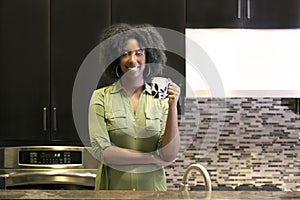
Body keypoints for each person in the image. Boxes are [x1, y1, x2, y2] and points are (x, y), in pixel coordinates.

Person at [89, 23, 180, 191]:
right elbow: (104, 153)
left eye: (139, 53)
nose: (132, 60)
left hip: (153, 193)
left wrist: (173, 106)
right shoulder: (100, 97)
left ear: (148, 57)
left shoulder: (160, 100)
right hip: (112, 193)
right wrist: (153, 159)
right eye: (125, 54)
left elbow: (169, 154)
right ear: (116, 58)